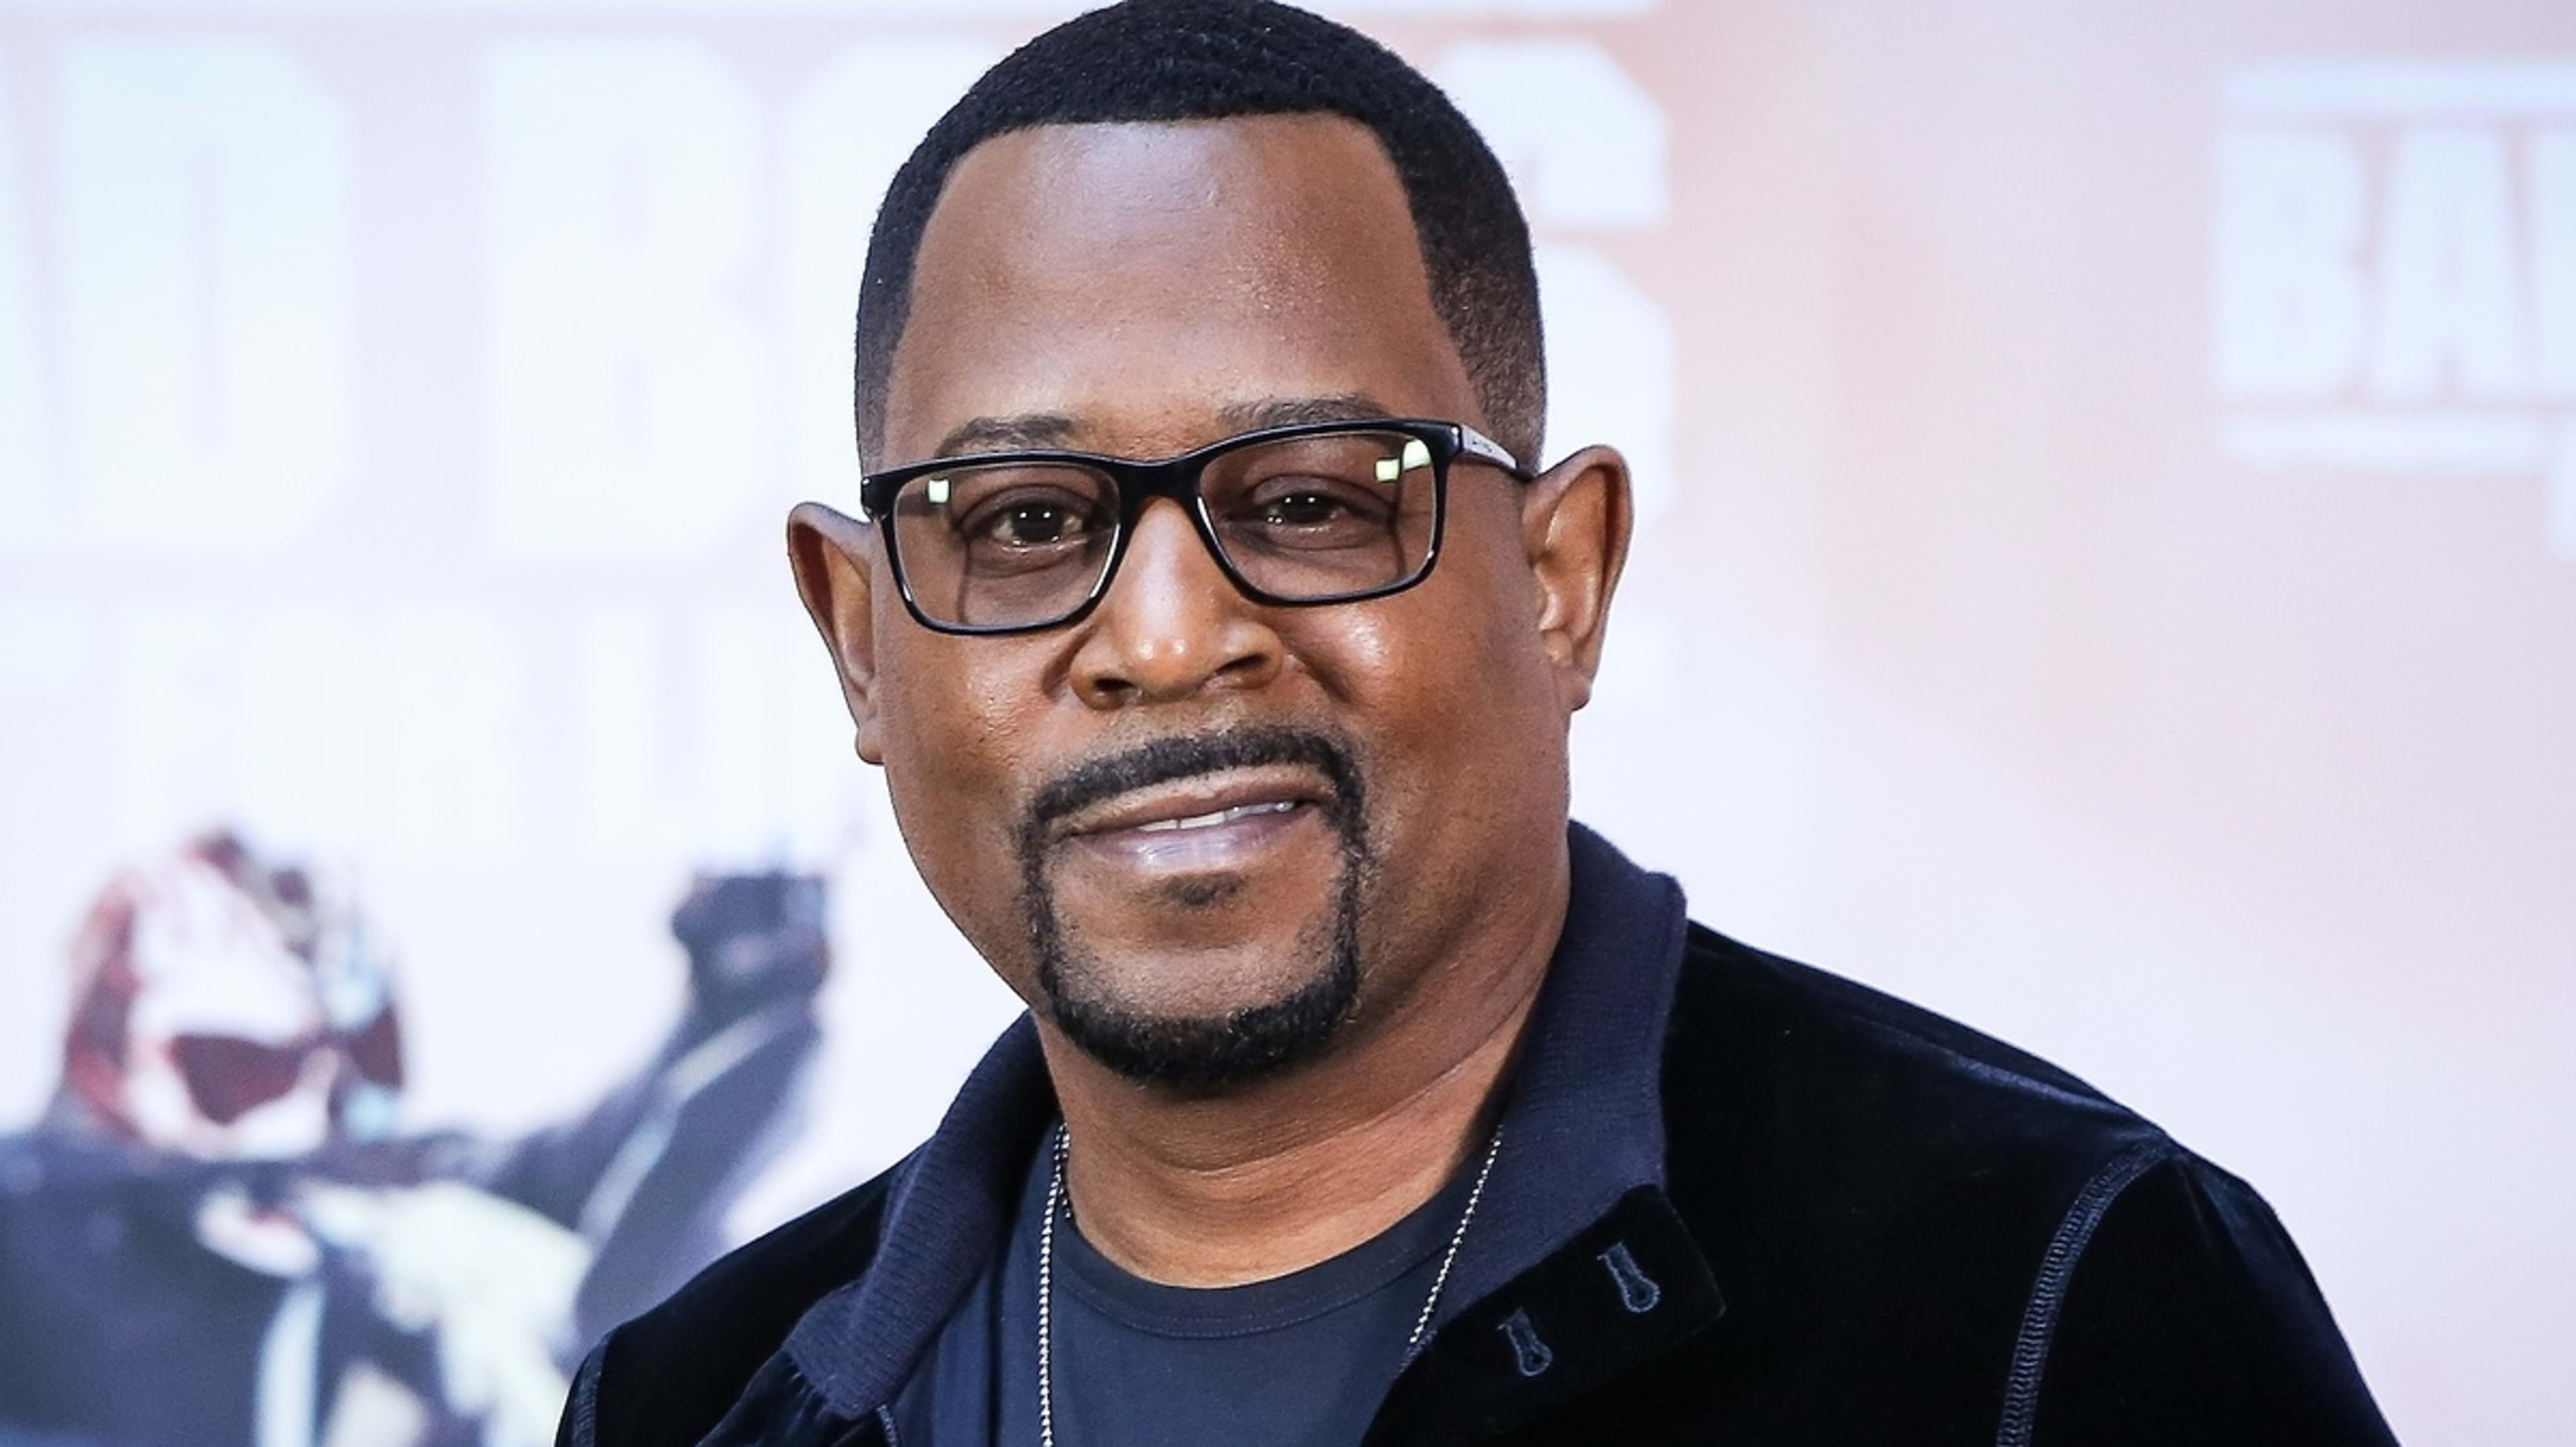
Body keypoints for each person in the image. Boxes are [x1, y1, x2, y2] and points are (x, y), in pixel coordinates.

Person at [562, 3, 2399, 1444]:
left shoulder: (2047, 1299)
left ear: (1560, 578)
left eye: (1310, 501)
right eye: (1028, 521)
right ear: (863, 641)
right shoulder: (697, 1399)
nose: (1171, 634)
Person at [0, 833, 827, 1447]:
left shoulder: (342, 1192)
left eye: (361, 1060)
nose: (312, 1113)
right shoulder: (31, 1225)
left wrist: (729, 1010)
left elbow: (562, 1182)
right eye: (248, 1068)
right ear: (113, 1053)